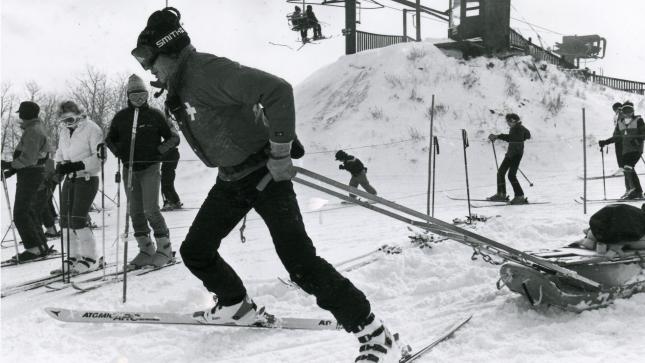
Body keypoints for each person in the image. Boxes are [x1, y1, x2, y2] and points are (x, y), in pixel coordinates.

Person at [131, 7, 400, 362]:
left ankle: (376, 335)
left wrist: (280, 151)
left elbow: (276, 90)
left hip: (265, 175)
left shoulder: (208, 71)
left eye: (149, 59)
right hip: (231, 180)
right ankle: (234, 305)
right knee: (196, 251)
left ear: (170, 50)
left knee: (300, 263)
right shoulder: (182, 81)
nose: (148, 68)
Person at [105, 74, 179, 268]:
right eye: (134, 95)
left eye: (142, 95)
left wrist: (159, 151)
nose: (139, 99)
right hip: (130, 168)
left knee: (151, 209)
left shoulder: (155, 115)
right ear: (128, 97)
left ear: (146, 95)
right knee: (135, 211)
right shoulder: (121, 117)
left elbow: (173, 138)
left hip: (150, 167)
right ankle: (146, 249)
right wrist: (118, 151)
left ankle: (165, 249)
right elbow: (109, 139)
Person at [53, 100, 104, 273]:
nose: (68, 123)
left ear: (79, 114)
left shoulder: (92, 129)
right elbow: (60, 152)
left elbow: (99, 158)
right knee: (65, 220)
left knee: (77, 219)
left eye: (70, 119)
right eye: (64, 120)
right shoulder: (64, 131)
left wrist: (77, 165)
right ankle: (73, 257)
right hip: (70, 178)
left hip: (87, 178)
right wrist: (59, 165)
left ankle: (91, 258)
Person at [0, 101, 53, 261]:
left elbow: (29, 158)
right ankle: (40, 246)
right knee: (29, 210)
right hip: (31, 173)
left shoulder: (33, 131)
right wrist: (12, 170)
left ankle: (33, 248)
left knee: (21, 212)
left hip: (31, 174)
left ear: (27, 114)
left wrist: (9, 164)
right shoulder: (34, 128)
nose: (20, 116)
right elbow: (32, 156)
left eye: (21, 113)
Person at [599, 102, 645, 199]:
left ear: (633, 111)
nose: (628, 113)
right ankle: (637, 191)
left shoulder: (639, 120)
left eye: (630, 111)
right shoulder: (620, 123)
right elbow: (617, 137)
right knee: (628, 169)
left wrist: (637, 140)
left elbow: (643, 133)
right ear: (622, 112)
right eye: (625, 111)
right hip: (626, 150)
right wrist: (605, 142)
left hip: (636, 149)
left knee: (628, 167)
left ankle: (634, 190)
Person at [487, 113, 531, 204]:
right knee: (501, 173)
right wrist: (521, 140)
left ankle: (520, 196)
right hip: (511, 154)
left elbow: (511, 138)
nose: (507, 123)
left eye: (508, 121)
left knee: (511, 175)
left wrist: (497, 136)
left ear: (513, 121)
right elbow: (527, 135)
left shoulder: (518, 128)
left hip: (516, 155)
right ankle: (501, 194)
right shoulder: (516, 128)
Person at [160, 123, 182, 211]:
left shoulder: (170, 147)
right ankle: (176, 201)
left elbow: (162, 154)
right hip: (171, 165)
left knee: (165, 183)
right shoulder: (173, 149)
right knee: (169, 183)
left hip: (168, 165)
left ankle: (168, 202)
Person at [610, 102, 624, 175]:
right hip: (619, 136)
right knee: (620, 152)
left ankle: (622, 168)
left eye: (615, 109)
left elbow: (621, 126)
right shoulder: (619, 114)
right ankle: (622, 168)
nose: (614, 111)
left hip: (620, 137)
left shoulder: (621, 114)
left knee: (619, 152)